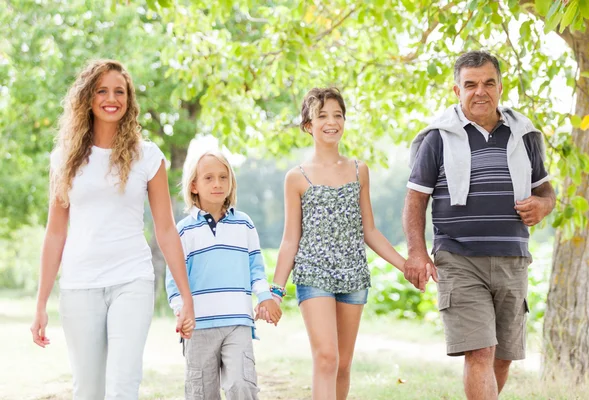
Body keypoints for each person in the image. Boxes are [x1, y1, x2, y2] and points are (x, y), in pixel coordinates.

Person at [30, 59, 195, 400]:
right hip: (80, 285)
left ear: (129, 100)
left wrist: (186, 297)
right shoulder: (64, 158)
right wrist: (41, 302)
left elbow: (165, 229)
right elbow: (55, 232)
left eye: (120, 91)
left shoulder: (147, 156)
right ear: (88, 98)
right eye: (102, 90)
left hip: (131, 281)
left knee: (123, 386)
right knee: (88, 390)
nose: (112, 98)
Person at [403, 50, 555, 400]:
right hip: (459, 258)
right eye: (470, 85)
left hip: (512, 259)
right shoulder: (437, 138)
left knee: (503, 356)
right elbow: (415, 200)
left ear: (500, 86)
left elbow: (545, 189)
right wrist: (416, 251)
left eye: (488, 83)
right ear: (457, 91)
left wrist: (543, 205)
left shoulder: (524, 134)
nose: (480, 91)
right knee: (480, 352)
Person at [269, 87, 433, 400]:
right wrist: (276, 292)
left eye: (338, 115)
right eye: (322, 116)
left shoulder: (360, 171)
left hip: (353, 275)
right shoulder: (297, 177)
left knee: (343, 364)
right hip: (313, 273)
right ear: (308, 125)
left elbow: (369, 231)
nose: (331, 122)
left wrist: (406, 265)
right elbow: (290, 239)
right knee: (326, 357)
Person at [166, 149, 281, 399]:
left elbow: (256, 268)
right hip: (198, 326)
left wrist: (264, 296)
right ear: (194, 185)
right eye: (208, 178)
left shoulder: (244, 224)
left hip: (237, 322)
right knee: (202, 393)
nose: (217, 184)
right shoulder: (183, 231)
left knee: (242, 385)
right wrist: (180, 310)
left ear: (231, 183)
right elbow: (174, 278)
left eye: (223, 177)